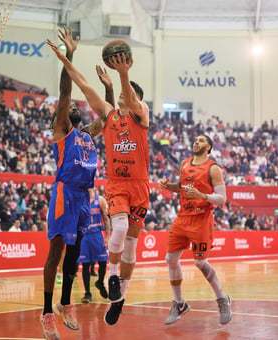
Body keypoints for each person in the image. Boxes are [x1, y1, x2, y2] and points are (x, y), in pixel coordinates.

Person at [47, 37, 150, 327]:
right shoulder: (109, 114)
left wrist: (124, 72)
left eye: (127, 96)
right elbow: (83, 85)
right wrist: (66, 59)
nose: (122, 98)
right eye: (120, 96)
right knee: (118, 227)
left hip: (140, 186)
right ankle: (111, 278)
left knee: (130, 246)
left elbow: (131, 97)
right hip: (117, 184)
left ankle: (120, 299)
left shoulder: (142, 115)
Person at [41, 27, 100, 340]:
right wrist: (70, 54)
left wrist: (108, 86)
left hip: (84, 198)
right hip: (65, 193)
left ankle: (66, 303)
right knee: (56, 253)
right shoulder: (64, 130)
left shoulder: (88, 134)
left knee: (75, 253)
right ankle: (47, 312)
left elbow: (106, 117)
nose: (74, 106)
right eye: (69, 109)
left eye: (78, 108)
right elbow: (66, 93)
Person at [159, 134, 232, 326]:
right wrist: (169, 186)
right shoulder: (184, 164)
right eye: (195, 140)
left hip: (201, 219)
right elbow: (182, 188)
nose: (196, 142)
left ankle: (222, 299)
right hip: (183, 217)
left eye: (201, 140)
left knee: (200, 262)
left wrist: (202, 195)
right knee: (170, 259)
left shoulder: (213, 168)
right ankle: (179, 303)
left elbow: (222, 198)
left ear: (208, 147)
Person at [78, 188, 111, 303]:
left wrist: (107, 237)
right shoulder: (79, 201)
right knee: (85, 265)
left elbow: (106, 219)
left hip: (97, 234)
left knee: (103, 262)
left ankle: (100, 282)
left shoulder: (100, 200)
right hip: (84, 236)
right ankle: (87, 293)